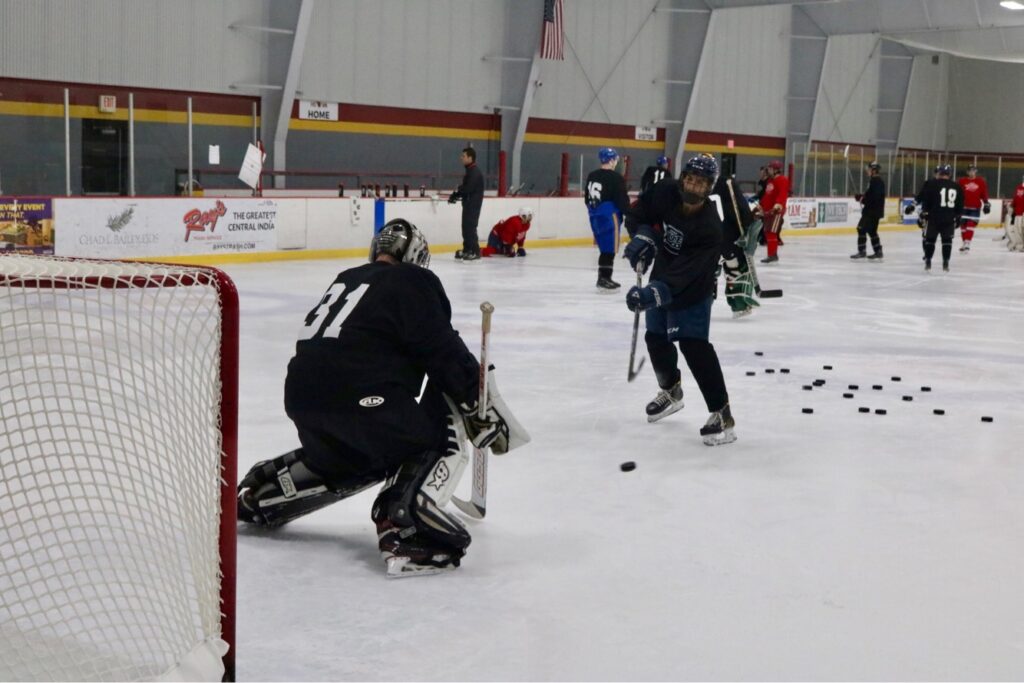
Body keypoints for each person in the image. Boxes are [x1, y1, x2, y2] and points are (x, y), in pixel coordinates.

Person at [237, 219, 527, 577]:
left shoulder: (347, 277)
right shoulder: (416, 281)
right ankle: (406, 525)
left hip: (301, 400)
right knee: (432, 431)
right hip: (363, 400)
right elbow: (441, 350)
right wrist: (476, 404)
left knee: (357, 455)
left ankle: (267, 491)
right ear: (416, 256)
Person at [622, 154, 737, 446]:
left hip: (694, 287)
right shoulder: (666, 191)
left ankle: (721, 413)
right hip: (663, 273)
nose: (693, 186)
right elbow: (637, 214)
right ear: (683, 177)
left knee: (693, 346)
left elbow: (687, 274)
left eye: (700, 183)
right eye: (690, 179)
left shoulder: (710, 228)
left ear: (708, 187)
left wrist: (652, 294)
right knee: (655, 337)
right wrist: (644, 237)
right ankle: (671, 391)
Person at [585, 147, 630, 291]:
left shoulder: (592, 175)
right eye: (615, 159)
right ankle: (604, 278)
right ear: (611, 160)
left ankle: (603, 277)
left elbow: (587, 197)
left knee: (604, 248)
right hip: (609, 214)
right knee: (609, 249)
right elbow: (621, 199)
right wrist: (630, 213)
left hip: (594, 214)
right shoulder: (616, 178)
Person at [907, 164, 963, 272]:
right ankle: (946, 262)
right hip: (949, 218)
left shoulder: (931, 184)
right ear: (949, 174)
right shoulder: (956, 186)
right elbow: (959, 203)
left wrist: (923, 213)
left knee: (930, 240)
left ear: (939, 173)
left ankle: (928, 260)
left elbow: (925, 199)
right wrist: (958, 216)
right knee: (947, 241)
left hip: (933, 217)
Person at [448, 147, 485, 261]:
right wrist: (457, 194)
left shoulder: (474, 172)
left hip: (473, 204)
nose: (461, 158)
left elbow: (468, 188)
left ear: (470, 158)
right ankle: (467, 249)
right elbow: (466, 187)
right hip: (468, 203)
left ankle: (475, 251)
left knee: (470, 227)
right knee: (465, 227)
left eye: (463, 156)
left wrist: (457, 193)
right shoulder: (470, 171)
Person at [851, 161, 886, 261]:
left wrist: (862, 199)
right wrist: (861, 196)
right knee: (872, 231)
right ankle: (878, 251)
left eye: (869, 169)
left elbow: (874, 198)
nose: (868, 171)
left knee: (861, 228)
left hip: (872, 212)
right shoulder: (874, 181)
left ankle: (862, 251)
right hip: (874, 211)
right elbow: (870, 195)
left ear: (874, 170)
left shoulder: (876, 182)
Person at [758, 160, 789, 263]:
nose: (768, 171)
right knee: (767, 232)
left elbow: (782, 195)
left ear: (776, 170)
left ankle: (772, 255)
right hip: (767, 211)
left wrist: (777, 207)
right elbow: (767, 195)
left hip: (775, 211)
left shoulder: (782, 180)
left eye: (770, 169)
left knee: (771, 232)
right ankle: (772, 254)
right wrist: (760, 204)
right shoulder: (770, 181)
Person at [956, 164, 990, 253]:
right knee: (963, 226)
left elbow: (984, 193)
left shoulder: (980, 181)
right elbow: (957, 193)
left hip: (975, 208)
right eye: (970, 170)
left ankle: (967, 243)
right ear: (967, 172)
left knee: (971, 224)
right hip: (963, 207)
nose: (971, 172)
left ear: (976, 171)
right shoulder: (962, 181)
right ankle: (964, 243)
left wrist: (986, 203)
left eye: (973, 170)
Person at [1008, 176, 1024, 252]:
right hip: (1018, 213)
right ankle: (1019, 246)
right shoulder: (1019, 187)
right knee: (1017, 229)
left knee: (1022, 229)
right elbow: (1016, 198)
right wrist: (1011, 206)